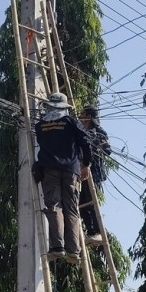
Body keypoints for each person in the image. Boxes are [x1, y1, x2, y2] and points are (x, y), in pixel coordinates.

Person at [32, 92, 92, 263]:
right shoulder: (71, 122)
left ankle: (57, 247)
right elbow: (85, 141)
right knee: (71, 208)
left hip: (49, 170)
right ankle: (73, 250)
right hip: (71, 170)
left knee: (54, 206)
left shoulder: (40, 125)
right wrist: (86, 164)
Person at [78, 104, 111, 246]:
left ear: (89, 117)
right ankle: (91, 231)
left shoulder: (99, 132)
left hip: (93, 172)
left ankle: (98, 231)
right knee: (81, 203)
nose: (80, 117)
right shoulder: (80, 131)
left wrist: (94, 143)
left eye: (82, 114)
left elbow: (107, 150)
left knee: (91, 201)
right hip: (80, 171)